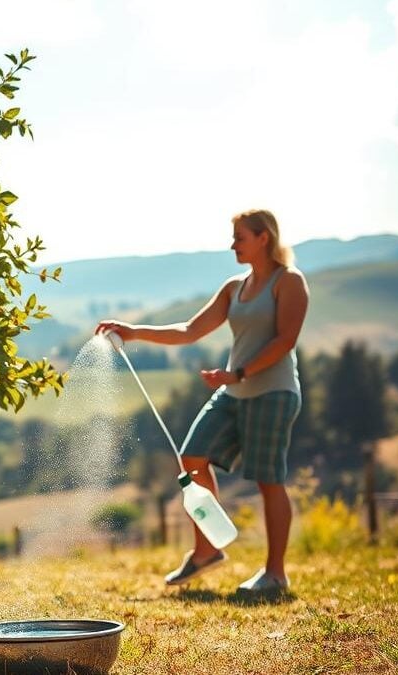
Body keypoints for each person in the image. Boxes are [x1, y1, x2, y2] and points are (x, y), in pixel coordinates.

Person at [96, 209, 309, 592]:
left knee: (268, 480)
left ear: (263, 238)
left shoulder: (288, 281)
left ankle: (276, 574)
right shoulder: (234, 287)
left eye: (240, 237)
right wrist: (133, 331)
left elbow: (285, 341)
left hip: (272, 393)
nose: (232, 245)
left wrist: (238, 373)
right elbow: (190, 330)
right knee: (192, 457)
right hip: (233, 390)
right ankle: (207, 550)